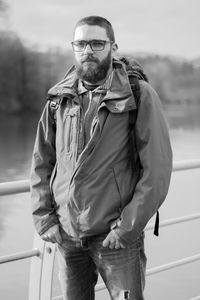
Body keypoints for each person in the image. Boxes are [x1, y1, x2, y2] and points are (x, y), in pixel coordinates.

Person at [30, 15, 173, 300]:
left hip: (116, 240)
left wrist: (126, 229)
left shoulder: (138, 95)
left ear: (113, 46)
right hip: (68, 237)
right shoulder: (59, 98)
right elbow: (41, 162)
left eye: (97, 43)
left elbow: (156, 170)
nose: (88, 51)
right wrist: (44, 219)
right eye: (81, 43)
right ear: (73, 47)